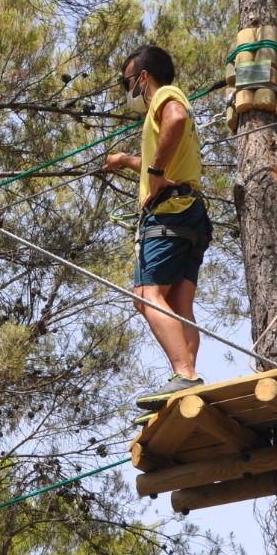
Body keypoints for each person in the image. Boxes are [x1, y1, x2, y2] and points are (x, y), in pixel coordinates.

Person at [103, 44, 213, 410]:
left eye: (127, 82)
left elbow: (176, 120)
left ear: (143, 77)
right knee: (180, 303)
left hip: (168, 216)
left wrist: (153, 173)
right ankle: (190, 375)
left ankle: (184, 374)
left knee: (147, 297)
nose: (128, 90)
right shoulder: (168, 107)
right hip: (191, 212)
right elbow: (164, 158)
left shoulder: (166, 97)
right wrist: (126, 160)